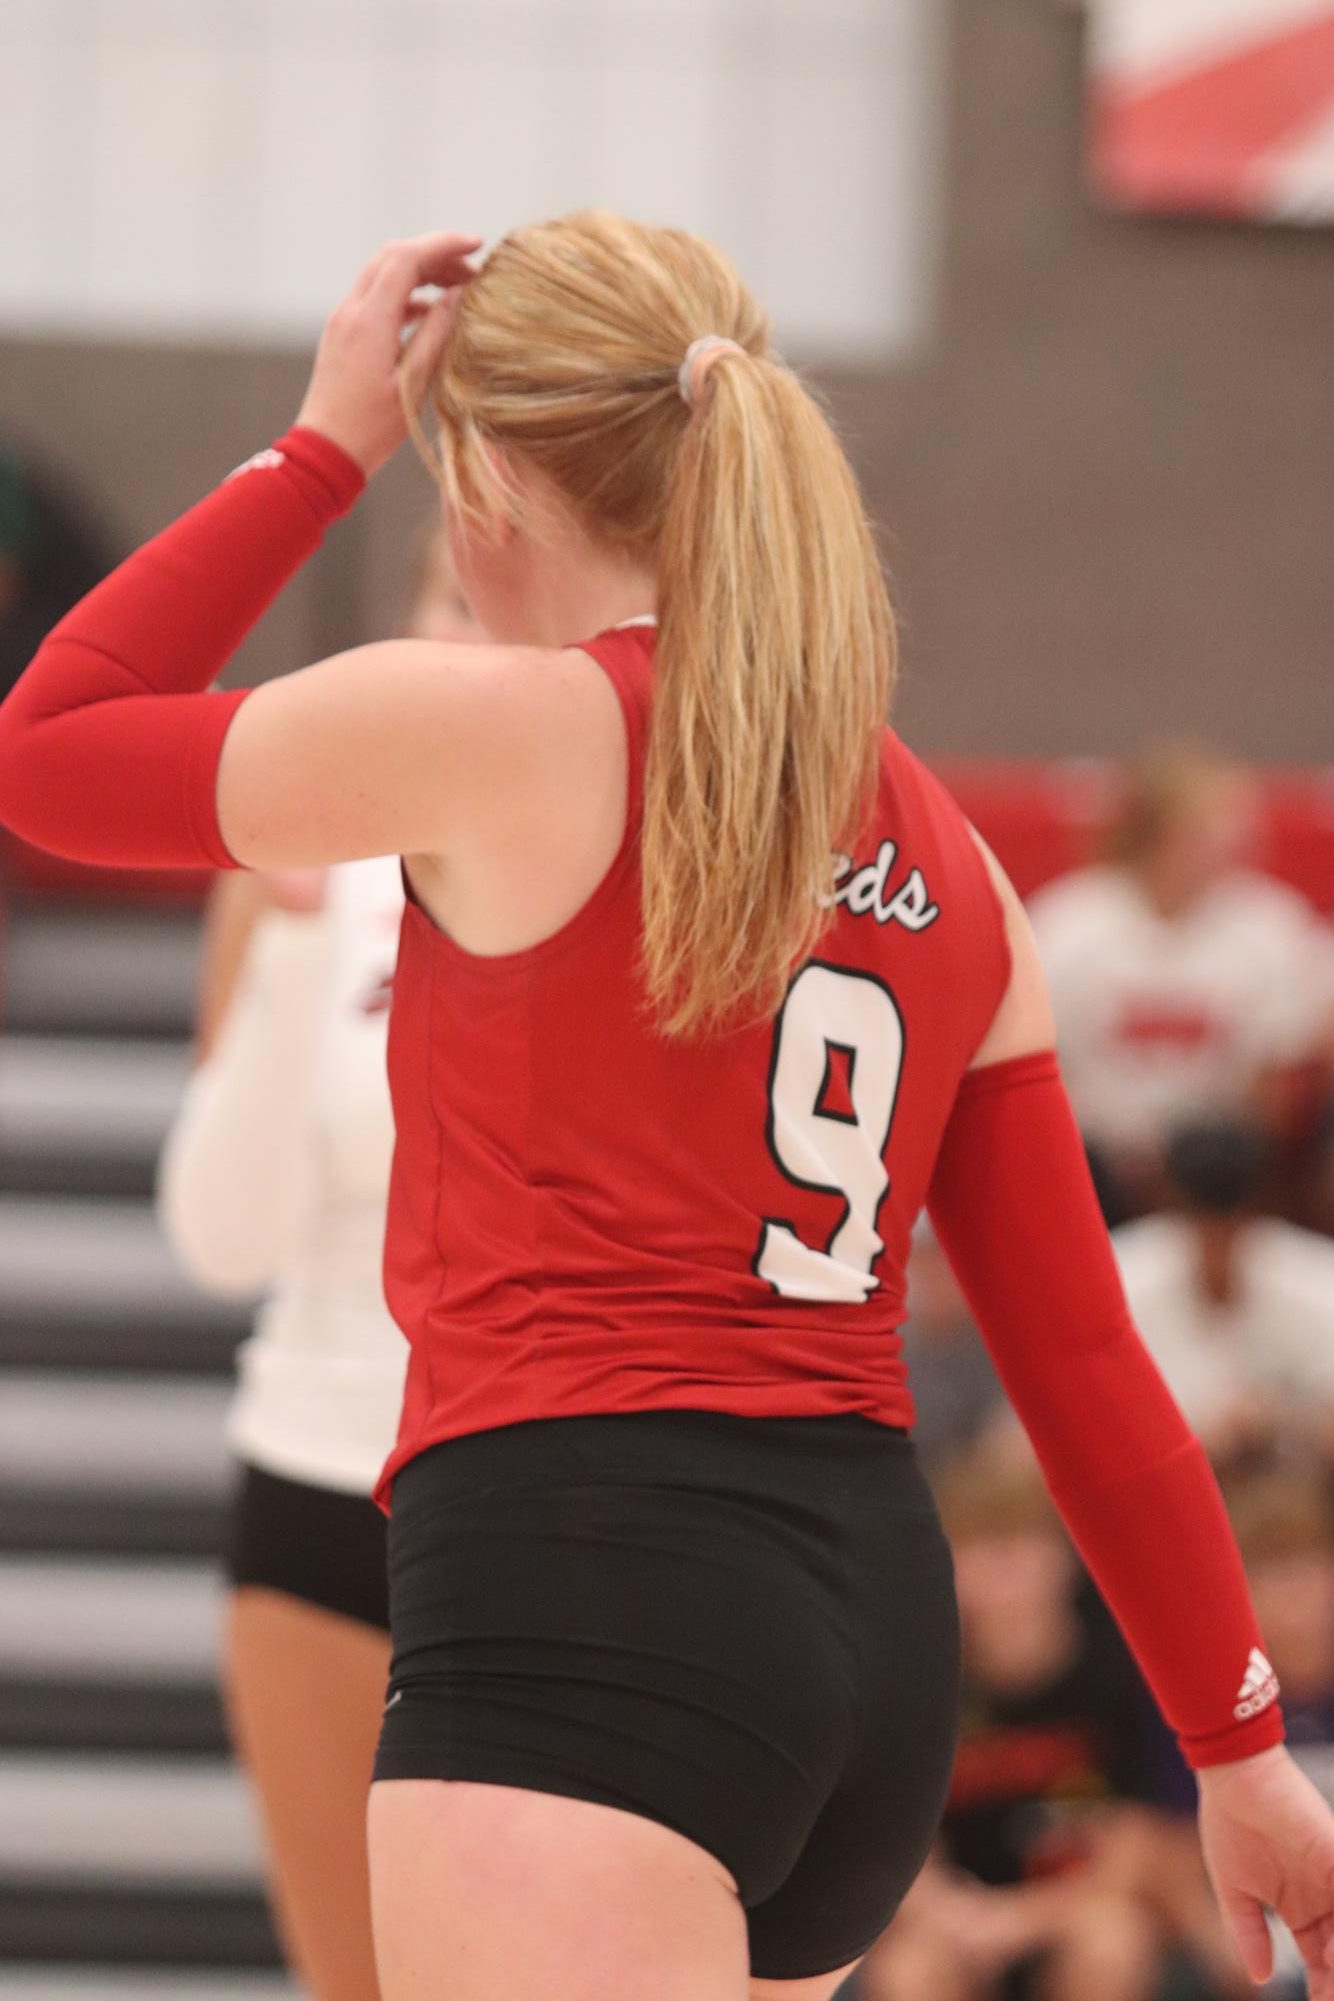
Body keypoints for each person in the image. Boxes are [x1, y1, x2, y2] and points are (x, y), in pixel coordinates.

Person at [1, 216, 1332, 2001]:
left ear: (479, 473)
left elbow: (47, 749)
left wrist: (322, 443)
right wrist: (1240, 1750)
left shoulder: (499, 729)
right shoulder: (946, 847)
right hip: (863, 1634)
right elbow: (1086, 1367)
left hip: (585, 1595)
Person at [156, 534, 478, 2001]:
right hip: (315, 1492)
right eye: (450, 598)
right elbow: (221, 1242)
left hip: (549, 1507)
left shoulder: (656, 869)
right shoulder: (312, 874)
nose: (474, 639)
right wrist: (290, 946)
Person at [857, 1447, 1245, 2001]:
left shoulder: (1120, 1665)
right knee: (908, 1969)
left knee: (1110, 1941)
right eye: (981, 1551)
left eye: (1020, 1546)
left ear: (1065, 1555)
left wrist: (1024, 1920)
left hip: (1084, 1896)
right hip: (959, 1906)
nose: (1006, 1574)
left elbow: (1142, 1835)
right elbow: (891, 1835)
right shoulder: (917, 1678)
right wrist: (950, 1912)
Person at [1027, 750, 1328, 1223]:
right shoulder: (1068, 924)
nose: (1234, 839)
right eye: (1211, 824)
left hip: (1221, 1170)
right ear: (1158, 833)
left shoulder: (1268, 926)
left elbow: (1274, 1082)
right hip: (1093, 1161)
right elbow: (1040, 1062)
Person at [1115, 1121, 1334, 1474]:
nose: (1215, 1244)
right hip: (1154, 1483)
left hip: (1284, 1493)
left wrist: (1280, 1421)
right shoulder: (1119, 1281)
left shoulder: (1317, 1280)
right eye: (1201, 1225)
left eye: (1228, 1227)